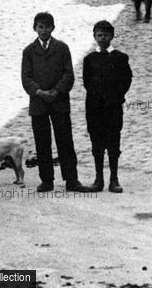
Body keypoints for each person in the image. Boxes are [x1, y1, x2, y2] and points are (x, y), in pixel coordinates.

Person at [21, 12, 91, 193]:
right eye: (40, 27)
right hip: (39, 103)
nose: (44, 30)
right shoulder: (28, 51)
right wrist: (39, 91)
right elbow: (26, 77)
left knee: (65, 141)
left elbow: (69, 74)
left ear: (53, 27)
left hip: (59, 101)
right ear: (34, 28)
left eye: (47, 27)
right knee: (42, 142)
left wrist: (57, 90)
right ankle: (46, 180)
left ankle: (71, 179)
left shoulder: (62, 48)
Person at [83, 20, 132, 193]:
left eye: (106, 35)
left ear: (112, 36)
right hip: (95, 108)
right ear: (94, 36)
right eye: (100, 35)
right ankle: (98, 179)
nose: (103, 38)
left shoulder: (120, 58)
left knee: (113, 142)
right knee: (97, 143)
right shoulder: (89, 59)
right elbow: (87, 82)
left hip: (112, 108)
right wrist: (98, 97)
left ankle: (114, 179)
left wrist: (115, 96)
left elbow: (126, 80)